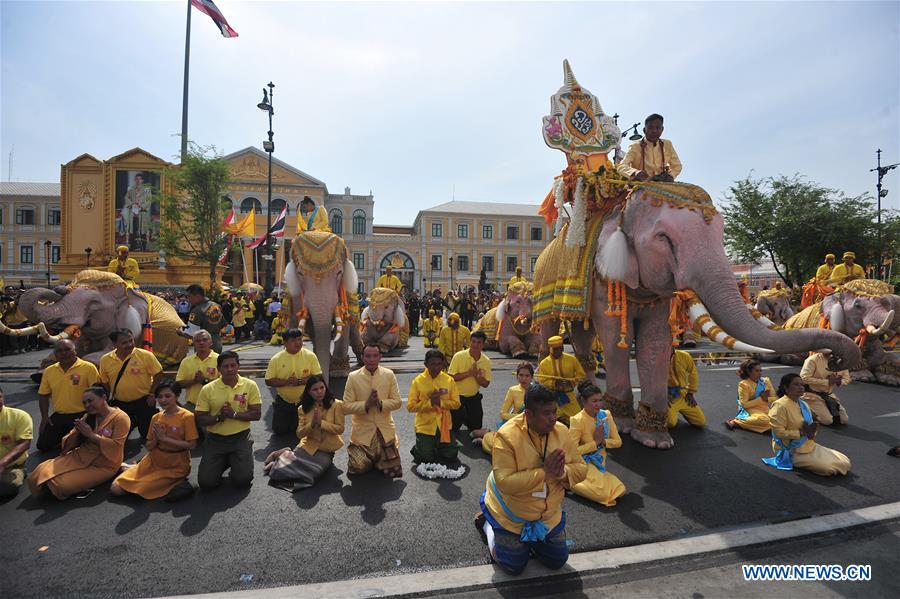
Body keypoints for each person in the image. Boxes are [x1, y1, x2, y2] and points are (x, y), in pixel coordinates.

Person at [476, 383, 587, 576]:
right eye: (546, 413)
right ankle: (488, 523)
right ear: (528, 414)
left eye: (554, 411)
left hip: (548, 515)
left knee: (557, 561)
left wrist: (561, 473)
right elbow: (504, 482)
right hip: (512, 514)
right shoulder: (507, 436)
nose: (553, 418)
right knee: (513, 566)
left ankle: (530, 541)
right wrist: (545, 473)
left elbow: (581, 469)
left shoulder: (561, 431)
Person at [28, 385, 130, 500]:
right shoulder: (88, 416)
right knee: (40, 471)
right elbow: (67, 443)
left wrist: (91, 435)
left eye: (90, 401)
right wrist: (77, 432)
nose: (87, 405)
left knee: (61, 484)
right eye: (85, 403)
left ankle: (119, 468)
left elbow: (116, 446)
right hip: (80, 455)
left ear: (104, 397)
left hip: (104, 464)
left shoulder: (121, 418)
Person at [110, 380, 198, 501]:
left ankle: (132, 469)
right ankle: (133, 468)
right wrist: (157, 438)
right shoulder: (156, 417)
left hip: (176, 466)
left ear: (177, 396)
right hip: (153, 460)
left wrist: (165, 439)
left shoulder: (187, 417)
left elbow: (191, 445)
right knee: (116, 488)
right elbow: (150, 446)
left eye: (168, 396)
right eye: (160, 397)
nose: (163, 400)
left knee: (138, 488)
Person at [262, 375, 343, 491]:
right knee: (278, 472)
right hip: (307, 445)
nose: (319, 392)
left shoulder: (337, 404)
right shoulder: (302, 408)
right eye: (315, 389)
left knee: (314, 473)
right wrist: (312, 424)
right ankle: (281, 455)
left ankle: (283, 456)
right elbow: (299, 434)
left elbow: (340, 429)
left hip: (326, 450)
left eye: (322, 388)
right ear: (309, 392)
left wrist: (321, 423)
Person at [194, 351, 261, 490]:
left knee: (243, 481)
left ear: (238, 366)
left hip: (240, 438)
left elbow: (256, 414)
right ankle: (226, 460)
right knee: (206, 484)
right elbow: (200, 418)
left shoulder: (250, 385)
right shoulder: (208, 389)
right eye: (225, 366)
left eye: (233, 365)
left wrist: (234, 414)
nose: (229, 369)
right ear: (219, 369)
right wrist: (219, 418)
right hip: (215, 440)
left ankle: (235, 460)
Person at [764, 373, 850, 476]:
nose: (801, 387)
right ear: (786, 387)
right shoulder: (779, 406)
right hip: (790, 449)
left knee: (844, 461)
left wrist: (812, 431)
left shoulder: (803, 403)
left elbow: (809, 427)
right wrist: (801, 433)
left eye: (802, 384)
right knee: (830, 468)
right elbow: (778, 433)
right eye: (796, 384)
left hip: (806, 444)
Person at [343, 345, 403, 478]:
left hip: (385, 431)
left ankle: (384, 454)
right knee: (358, 467)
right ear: (362, 357)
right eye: (368, 356)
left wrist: (380, 403)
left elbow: (397, 402)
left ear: (380, 357)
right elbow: (346, 407)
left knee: (392, 470)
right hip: (362, 434)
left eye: (375, 356)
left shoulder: (388, 374)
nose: (371, 359)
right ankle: (374, 459)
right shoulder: (353, 377)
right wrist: (367, 404)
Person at [99, 329, 162, 443]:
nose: (129, 345)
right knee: (121, 436)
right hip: (121, 404)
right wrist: (108, 400)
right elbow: (104, 381)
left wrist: (152, 394)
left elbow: (158, 373)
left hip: (144, 401)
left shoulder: (145, 355)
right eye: (124, 342)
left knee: (147, 434)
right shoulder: (105, 360)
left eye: (131, 341)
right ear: (114, 344)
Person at [36, 340, 100, 452]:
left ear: (75, 351)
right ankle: (67, 439)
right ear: (55, 354)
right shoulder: (49, 371)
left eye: (67, 349)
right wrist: (45, 417)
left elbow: (97, 393)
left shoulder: (88, 368)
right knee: (42, 445)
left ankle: (71, 440)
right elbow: (43, 395)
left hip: (83, 415)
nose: (64, 353)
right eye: (59, 351)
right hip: (60, 415)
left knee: (84, 446)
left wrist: (96, 416)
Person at [568, 382, 625, 507]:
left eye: (600, 400)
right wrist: (595, 443)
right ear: (584, 401)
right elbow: (572, 452)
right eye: (594, 401)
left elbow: (618, 442)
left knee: (620, 489)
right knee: (602, 495)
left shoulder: (606, 415)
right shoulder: (577, 420)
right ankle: (567, 482)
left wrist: (604, 441)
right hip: (583, 462)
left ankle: (577, 481)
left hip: (599, 462)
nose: (598, 404)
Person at [407, 349, 461, 465]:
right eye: (432, 364)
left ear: (443, 364)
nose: (436, 367)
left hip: (444, 425)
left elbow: (456, 404)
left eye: (439, 364)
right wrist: (430, 403)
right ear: (426, 364)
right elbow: (410, 407)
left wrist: (441, 403)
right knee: (426, 457)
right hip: (425, 426)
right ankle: (420, 447)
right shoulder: (418, 381)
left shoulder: (449, 380)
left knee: (451, 455)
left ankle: (442, 445)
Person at [265, 328, 322, 436]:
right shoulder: (276, 359)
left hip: (305, 399)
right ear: (285, 343)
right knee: (280, 430)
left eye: (300, 339)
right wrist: (286, 382)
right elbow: (268, 381)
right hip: (284, 400)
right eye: (293, 340)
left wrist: (299, 381)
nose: (298, 343)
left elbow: (317, 375)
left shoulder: (310, 356)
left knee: (308, 431)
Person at [471, 362, 533, 454]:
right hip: (515, 426)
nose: (523, 378)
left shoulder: (537, 391)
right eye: (521, 375)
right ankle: (486, 436)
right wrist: (521, 417)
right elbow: (503, 414)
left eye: (527, 376)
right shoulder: (513, 390)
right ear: (517, 376)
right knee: (502, 452)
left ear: (532, 377)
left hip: (533, 428)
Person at [616, 113, 683, 182]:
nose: (654, 131)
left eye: (657, 127)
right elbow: (621, 166)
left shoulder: (667, 144)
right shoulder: (635, 147)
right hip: (641, 186)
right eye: (650, 128)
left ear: (662, 129)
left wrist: (671, 175)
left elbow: (677, 166)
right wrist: (635, 172)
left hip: (663, 185)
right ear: (644, 130)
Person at [448, 330, 492, 434]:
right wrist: (469, 373)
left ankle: (465, 416)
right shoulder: (458, 356)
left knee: (476, 427)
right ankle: (462, 415)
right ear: (470, 342)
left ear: (483, 344)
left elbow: (485, 384)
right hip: (457, 396)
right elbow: (451, 377)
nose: (475, 345)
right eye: (473, 341)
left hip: (473, 397)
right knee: (453, 428)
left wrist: (476, 376)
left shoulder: (486, 361)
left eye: (479, 342)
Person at [536, 336, 586, 424]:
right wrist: (554, 383)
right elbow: (541, 381)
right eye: (554, 349)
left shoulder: (572, 359)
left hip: (569, 397)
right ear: (550, 349)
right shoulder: (544, 363)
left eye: (559, 349)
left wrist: (570, 382)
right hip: (552, 398)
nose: (557, 351)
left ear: (563, 348)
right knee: (551, 421)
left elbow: (581, 375)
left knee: (579, 420)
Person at [800, 350, 850, 426]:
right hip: (812, 395)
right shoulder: (812, 360)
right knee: (828, 421)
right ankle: (802, 405)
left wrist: (839, 381)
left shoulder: (840, 362)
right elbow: (804, 378)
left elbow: (847, 379)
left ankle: (821, 409)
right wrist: (827, 382)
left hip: (829, 395)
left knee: (844, 420)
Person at [0, 386, 33, 498]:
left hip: (10, 466)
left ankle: (21, 471)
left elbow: (24, 443)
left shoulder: (19, 416)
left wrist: (2, 463)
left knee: (10, 486)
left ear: (3, 397)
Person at [724, 359, 775, 432]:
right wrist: (761, 399)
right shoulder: (744, 384)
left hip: (765, 409)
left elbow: (775, 398)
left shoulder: (766, 381)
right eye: (757, 371)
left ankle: (752, 424)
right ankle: (737, 422)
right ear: (749, 372)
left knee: (781, 418)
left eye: (760, 370)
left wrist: (766, 399)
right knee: (765, 420)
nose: (760, 373)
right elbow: (744, 405)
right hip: (750, 410)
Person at [175, 330, 220, 412]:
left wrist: (204, 381)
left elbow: (225, 383)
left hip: (214, 406)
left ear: (211, 342)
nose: (201, 343)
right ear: (193, 343)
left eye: (205, 340)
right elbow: (179, 383)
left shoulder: (219, 359)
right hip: (192, 406)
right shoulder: (186, 361)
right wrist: (194, 381)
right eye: (198, 341)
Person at [666, 349, 706, 429]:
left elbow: (693, 373)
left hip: (683, 395)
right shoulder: (655, 358)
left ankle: (683, 413)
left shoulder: (684, 355)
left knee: (700, 422)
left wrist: (691, 392)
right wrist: (660, 395)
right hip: (668, 397)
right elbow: (650, 379)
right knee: (671, 424)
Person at [186, 284, 224, 353]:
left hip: (203, 346)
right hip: (217, 343)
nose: (188, 299)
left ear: (197, 296)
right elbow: (223, 324)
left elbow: (192, 332)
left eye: (189, 296)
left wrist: (180, 332)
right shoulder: (217, 306)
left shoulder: (196, 310)